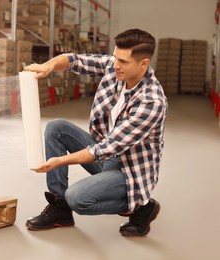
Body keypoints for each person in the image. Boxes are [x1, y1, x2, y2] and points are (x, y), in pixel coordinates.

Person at [23, 28, 168, 237]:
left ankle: (141, 206)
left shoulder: (151, 101)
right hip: (106, 156)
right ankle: (60, 208)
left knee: (78, 198)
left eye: (123, 62)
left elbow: (106, 149)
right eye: (115, 57)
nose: (116, 65)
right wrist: (48, 66)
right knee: (56, 128)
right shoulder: (116, 67)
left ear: (144, 63)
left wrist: (58, 162)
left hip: (129, 170)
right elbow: (75, 60)